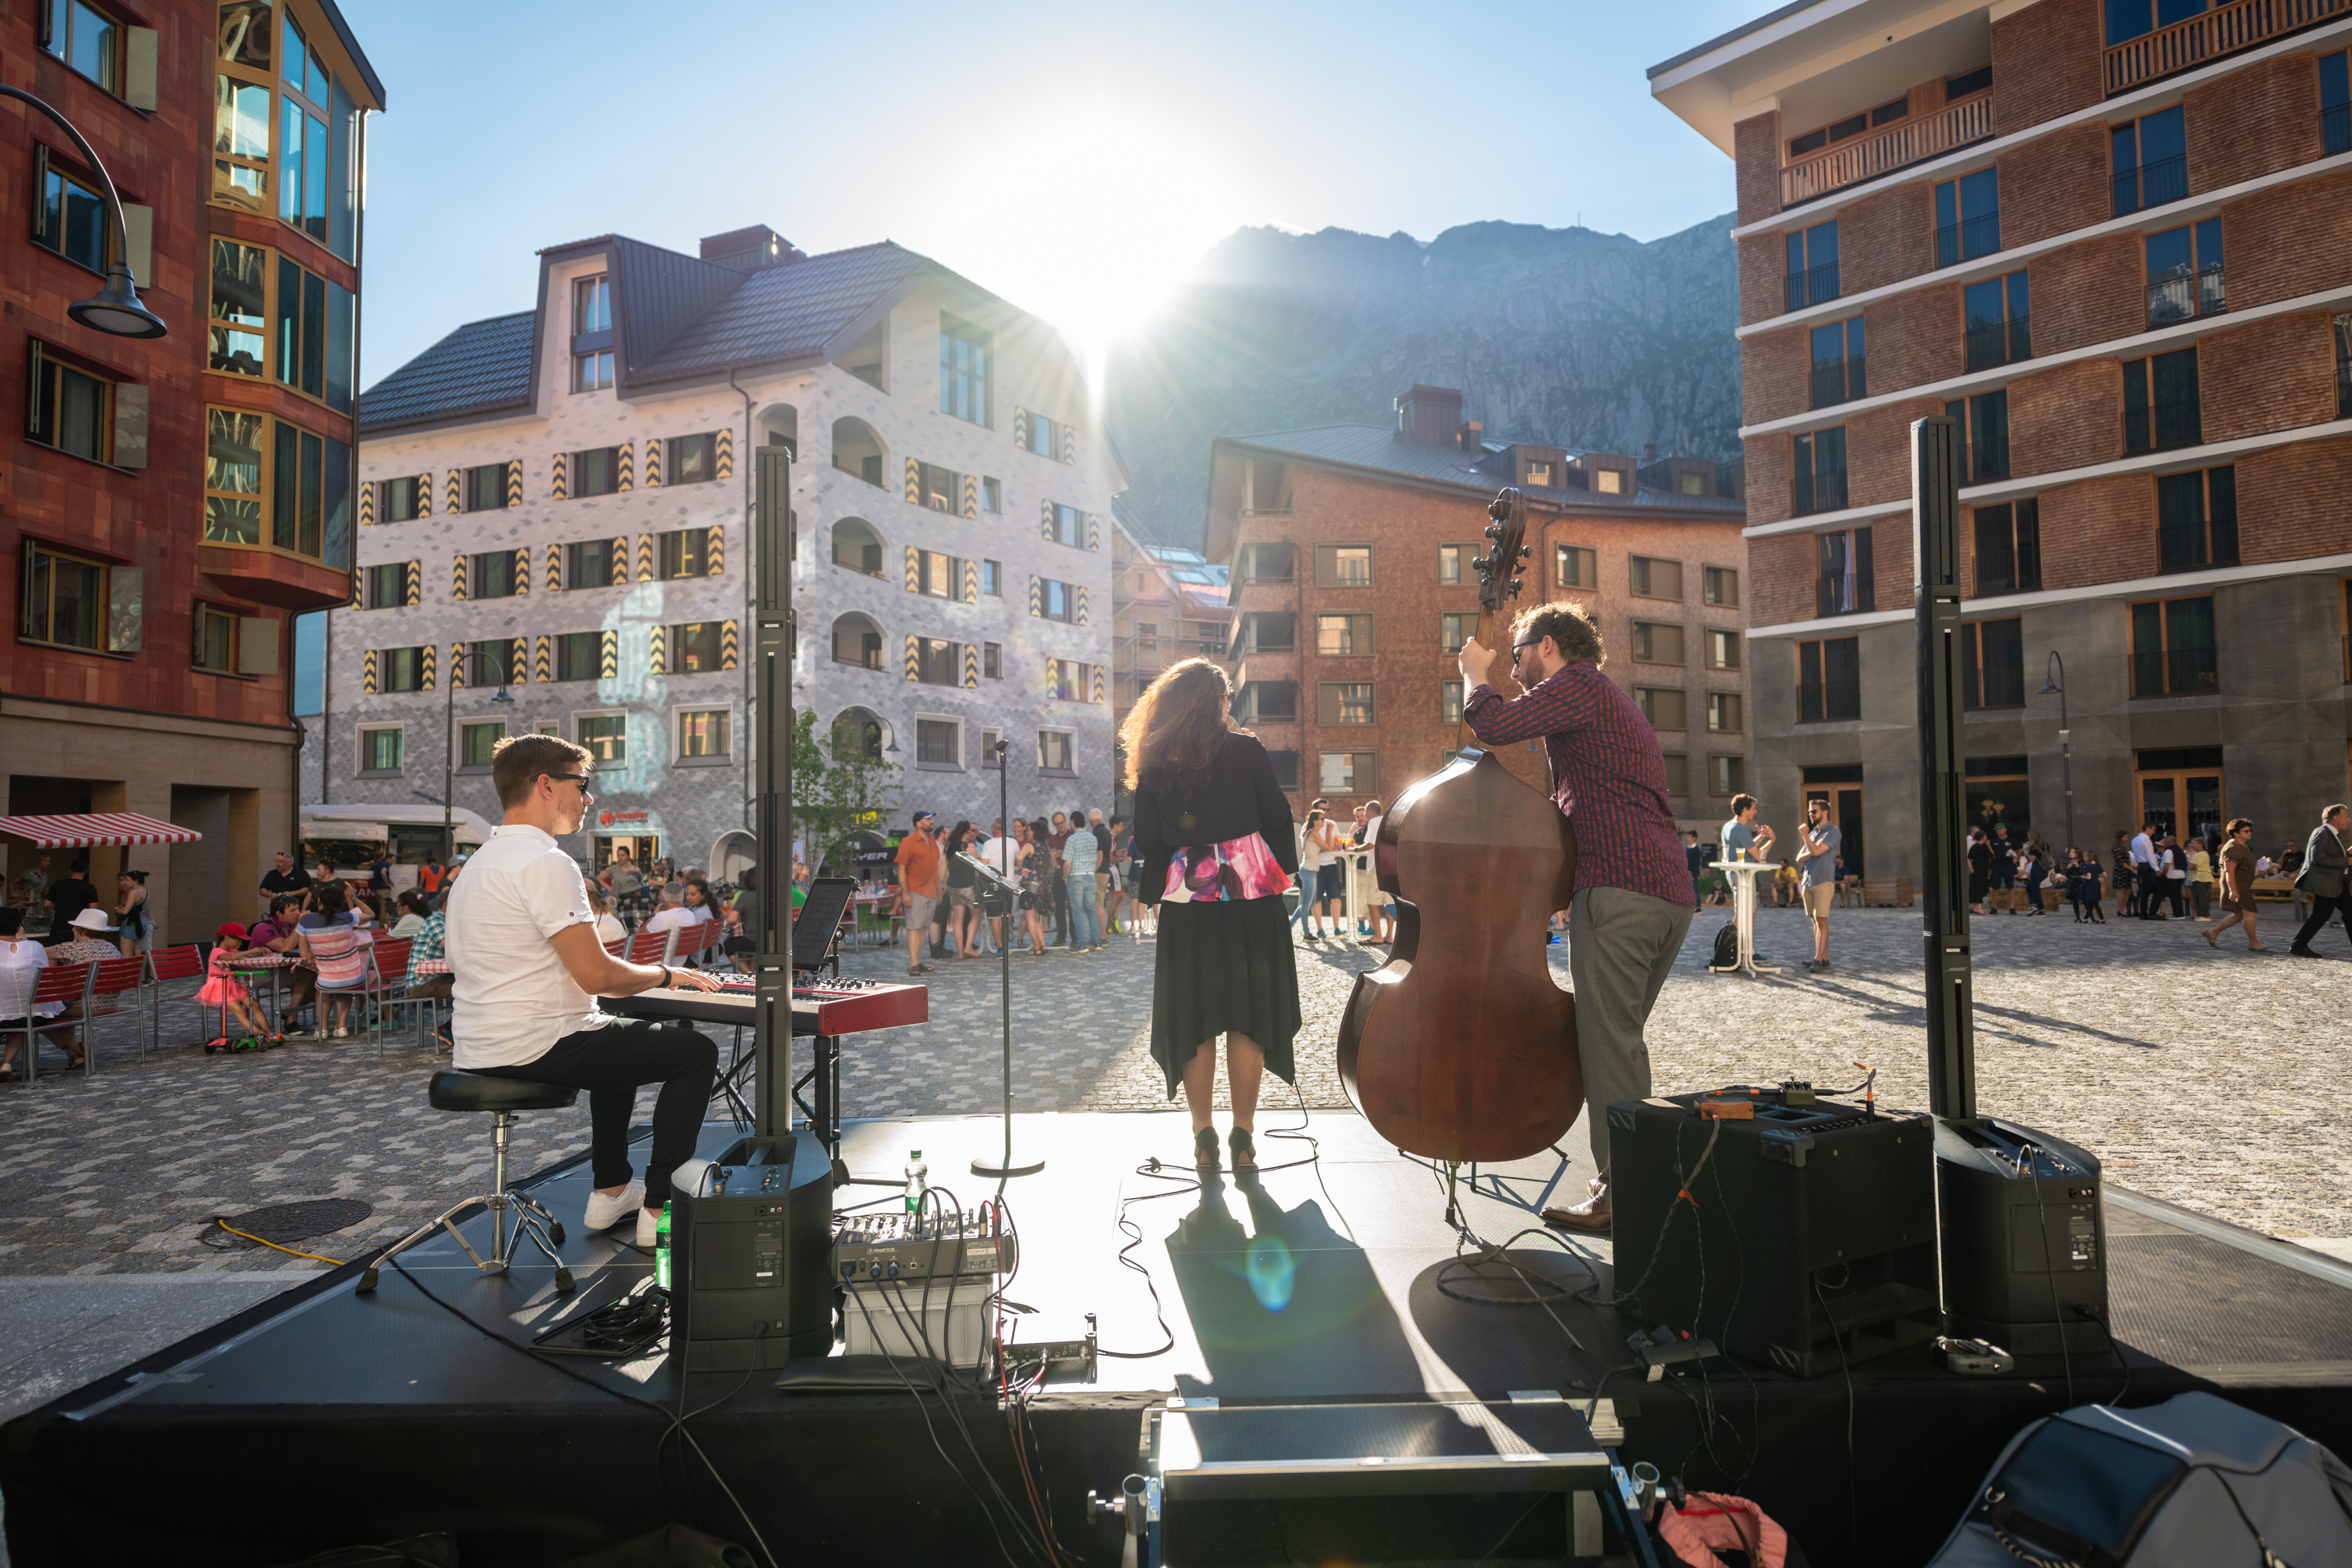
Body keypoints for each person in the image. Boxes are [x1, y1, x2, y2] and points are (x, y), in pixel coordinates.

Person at [1459, 602, 1696, 1236]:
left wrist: (1474, 673)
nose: (1514, 668)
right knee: (1619, 1044)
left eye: (1517, 655)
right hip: (1664, 892)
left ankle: (1626, 1198)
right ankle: (1639, 1181)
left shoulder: (1578, 685)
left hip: (1621, 891)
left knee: (1610, 1050)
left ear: (1547, 646)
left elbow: (1494, 724)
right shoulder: (1603, 698)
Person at [442, 735, 720, 1246]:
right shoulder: (545, 863)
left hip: (478, 1045)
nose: (589, 798)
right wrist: (666, 975)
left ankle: (611, 1190)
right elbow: (598, 977)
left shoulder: (477, 865)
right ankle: (659, 1210)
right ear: (547, 785)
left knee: (618, 1034)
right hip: (538, 1044)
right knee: (696, 1053)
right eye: (583, 784)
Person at [1126, 660, 1301, 1171]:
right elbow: (1278, 815)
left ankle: (1203, 1138)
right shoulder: (1247, 751)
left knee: (1195, 1019)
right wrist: (1274, 864)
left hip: (1189, 902)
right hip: (1253, 897)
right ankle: (1242, 1138)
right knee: (1249, 1018)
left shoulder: (1155, 760)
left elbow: (1148, 839)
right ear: (1219, 702)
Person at [295, 879, 371, 1040]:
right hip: (355, 978)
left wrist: (321, 952)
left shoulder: (306, 921)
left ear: (319, 902)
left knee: (323, 989)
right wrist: (354, 898)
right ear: (341, 903)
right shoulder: (347, 917)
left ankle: (322, 1028)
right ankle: (341, 1026)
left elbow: (304, 953)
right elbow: (370, 914)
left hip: (328, 980)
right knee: (344, 987)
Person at [0, 906, 70, 1079]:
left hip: (4, 1018)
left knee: (18, 1019)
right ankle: (77, 1050)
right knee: (23, 1019)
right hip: (35, 1014)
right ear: (19, 928)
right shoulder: (35, 947)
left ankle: (6, 1064)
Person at [2288, 804, 2352, 957]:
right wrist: (2348, 861)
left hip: (2336, 883)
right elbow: (2319, 858)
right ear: (2336, 818)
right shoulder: (2323, 833)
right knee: (2321, 915)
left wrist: (2348, 853)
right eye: (2346, 816)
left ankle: (2298, 945)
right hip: (2327, 883)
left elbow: (2332, 855)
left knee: (2348, 913)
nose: (2349, 820)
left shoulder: (2331, 834)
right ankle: (2298, 945)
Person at [197, 924, 275, 1047]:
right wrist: (251, 950)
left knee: (255, 1005)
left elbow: (243, 955)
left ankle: (269, 1033)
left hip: (233, 985)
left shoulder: (232, 950)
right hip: (221, 987)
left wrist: (260, 951)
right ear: (227, 938)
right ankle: (260, 1034)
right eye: (238, 940)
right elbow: (231, 958)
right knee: (241, 1013)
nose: (239, 943)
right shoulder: (217, 951)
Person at [2208, 818, 2267, 952]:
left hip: (2243, 883)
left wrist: (2259, 872)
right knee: (2250, 912)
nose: (2249, 833)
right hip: (2238, 885)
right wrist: (2233, 890)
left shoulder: (2243, 847)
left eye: (2250, 830)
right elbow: (2229, 871)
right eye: (2245, 831)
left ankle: (2213, 932)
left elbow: (2244, 867)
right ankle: (2254, 943)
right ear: (2235, 833)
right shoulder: (2233, 848)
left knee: (2239, 915)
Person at [895, 811, 943, 976]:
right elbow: (901, 869)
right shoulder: (908, 842)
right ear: (918, 823)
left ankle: (918, 960)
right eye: (928, 819)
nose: (931, 821)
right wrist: (905, 893)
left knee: (923, 927)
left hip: (931, 891)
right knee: (914, 927)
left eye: (931, 819)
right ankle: (913, 964)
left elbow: (934, 868)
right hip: (915, 891)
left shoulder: (932, 841)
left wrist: (939, 890)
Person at [1796, 799, 1841, 971]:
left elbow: (1815, 851)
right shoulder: (1814, 832)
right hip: (1809, 880)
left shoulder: (1833, 831)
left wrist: (1805, 836)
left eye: (1814, 811)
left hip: (1823, 881)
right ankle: (1824, 958)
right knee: (1816, 921)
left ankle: (1817, 960)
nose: (1811, 814)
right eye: (1810, 812)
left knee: (1822, 920)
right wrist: (1811, 848)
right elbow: (1799, 858)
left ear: (1825, 812)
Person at [1063, 808, 1103, 953]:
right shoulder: (1093, 837)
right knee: (1092, 910)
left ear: (1073, 822)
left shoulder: (1072, 839)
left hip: (1076, 877)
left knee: (1078, 912)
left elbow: (1067, 863)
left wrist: (1065, 877)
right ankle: (1097, 942)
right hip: (1090, 877)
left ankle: (1082, 944)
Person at [943, 821, 983, 960]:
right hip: (968, 884)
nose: (971, 834)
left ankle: (960, 952)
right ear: (966, 832)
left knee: (958, 918)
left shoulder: (949, 846)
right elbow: (975, 866)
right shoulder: (969, 846)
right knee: (976, 916)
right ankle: (968, 948)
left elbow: (946, 866)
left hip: (953, 884)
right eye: (970, 831)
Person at [1291, 808, 1330, 940]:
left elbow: (1316, 850)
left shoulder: (1309, 832)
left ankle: (1290, 925)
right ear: (1315, 821)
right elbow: (1328, 847)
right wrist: (1329, 831)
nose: (1324, 821)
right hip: (1309, 871)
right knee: (1306, 905)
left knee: (1310, 903)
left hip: (1309, 870)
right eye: (1322, 819)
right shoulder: (1313, 833)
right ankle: (1306, 933)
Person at [42, 858, 100, 945]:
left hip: (59, 927)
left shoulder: (59, 884)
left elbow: (46, 904)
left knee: (54, 950)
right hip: (78, 929)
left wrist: (57, 905)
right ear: (86, 871)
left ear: (70, 869)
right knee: (75, 952)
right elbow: (93, 910)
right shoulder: (89, 888)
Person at [1017, 819, 1053, 956]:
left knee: (1030, 916)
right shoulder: (1045, 847)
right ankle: (1043, 945)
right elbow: (1053, 863)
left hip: (1031, 883)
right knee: (1035, 916)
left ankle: (1036, 948)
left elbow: (1019, 858)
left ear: (1035, 832)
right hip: (1043, 882)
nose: (1027, 832)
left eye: (1029, 830)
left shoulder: (1029, 845)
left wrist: (1022, 868)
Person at [259, 851, 310, 919]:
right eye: (276, 862)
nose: (277, 864)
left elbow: (307, 889)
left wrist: (292, 893)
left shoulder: (301, 873)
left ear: (289, 863)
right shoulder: (272, 874)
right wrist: (271, 894)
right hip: (276, 912)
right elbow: (262, 889)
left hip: (295, 912)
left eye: (281, 862)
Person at [113, 869, 151, 956]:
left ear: (135, 881)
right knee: (137, 952)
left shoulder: (133, 892)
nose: (126, 882)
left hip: (131, 924)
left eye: (128, 880)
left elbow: (125, 911)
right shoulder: (147, 891)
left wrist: (117, 909)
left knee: (127, 954)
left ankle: (130, 966)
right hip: (142, 923)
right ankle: (140, 966)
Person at [2131, 822, 2163, 920]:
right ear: (2148, 829)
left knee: (2144, 891)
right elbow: (2150, 856)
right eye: (2153, 830)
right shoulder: (2146, 840)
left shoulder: (2135, 840)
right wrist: (2157, 869)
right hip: (2148, 866)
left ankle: (2143, 913)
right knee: (2158, 890)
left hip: (2141, 865)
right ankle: (2152, 912)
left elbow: (2136, 855)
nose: (2154, 833)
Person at [12, 852, 50, 916]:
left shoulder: (44, 875)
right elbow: (12, 882)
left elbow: (44, 888)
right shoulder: (28, 873)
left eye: (49, 861)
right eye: (45, 861)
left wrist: (49, 901)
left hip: (38, 901)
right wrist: (13, 893)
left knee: (38, 918)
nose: (48, 863)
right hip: (27, 900)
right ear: (38, 861)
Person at [1682, 830, 1710, 909]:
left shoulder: (1696, 850)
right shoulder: (1687, 849)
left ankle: (1698, 906)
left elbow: (1696, 864)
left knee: (1695, 891)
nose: (1687, 838)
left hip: (1693, 874)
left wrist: (1694, 875)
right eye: (1687, 836)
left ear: (1694, 838)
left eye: (1689, 837)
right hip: (1686, 873)